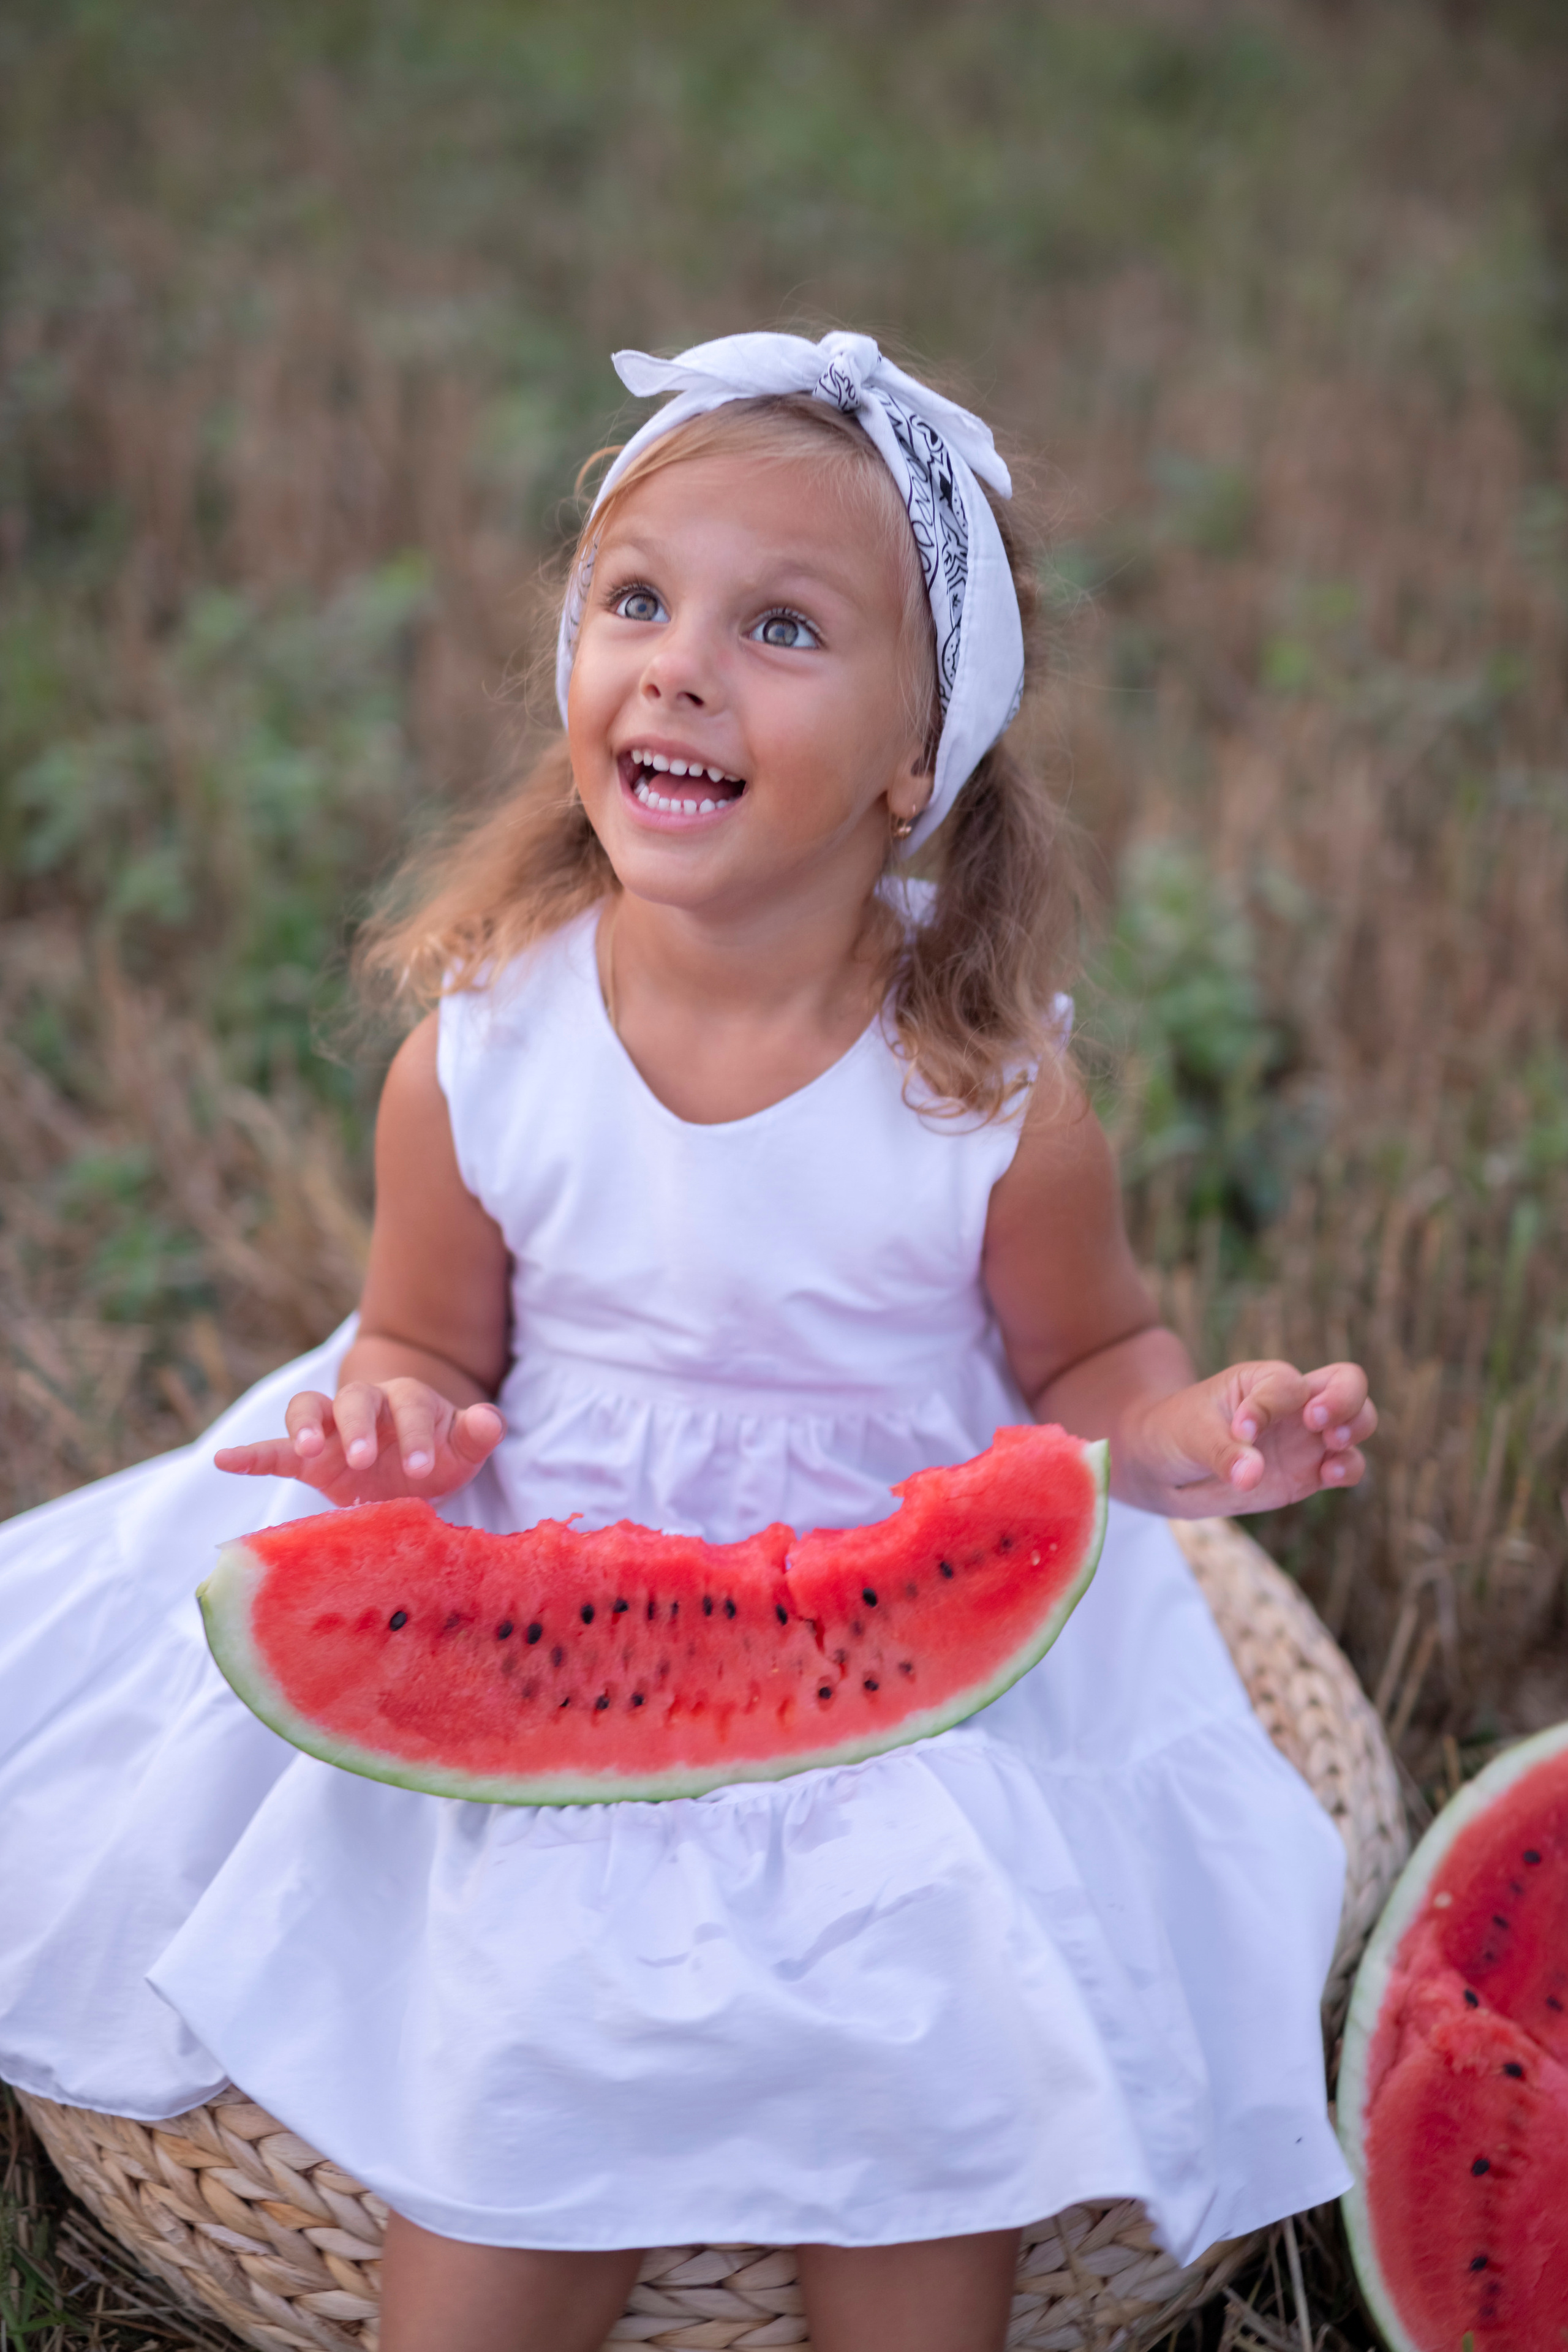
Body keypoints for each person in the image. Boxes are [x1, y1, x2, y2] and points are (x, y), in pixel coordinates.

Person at [0, 331, 1376, 2352]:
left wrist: (1173, 1434)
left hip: (918, 1630)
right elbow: (423, 1340)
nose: (679, 664)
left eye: (784, 627)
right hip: (555, 1563)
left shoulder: (990, 1100)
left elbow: (1092, 1358)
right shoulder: (482, 1051)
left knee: (938, 2082)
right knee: (524, 2084)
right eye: (635, 601)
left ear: (924, 757)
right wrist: (394, 1425)